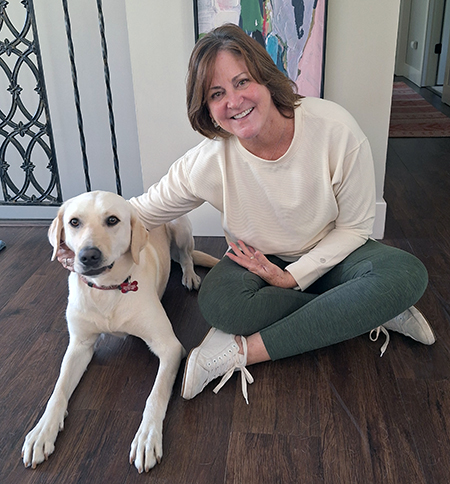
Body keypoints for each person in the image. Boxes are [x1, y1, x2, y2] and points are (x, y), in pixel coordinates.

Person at [58, 24, 434, 404]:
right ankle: (368, 308)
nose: (233, 101)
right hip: (255, 260)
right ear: (206, 108)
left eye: (242, 82)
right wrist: (82, 239)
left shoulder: (335, 130)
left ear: (267, 80)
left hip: (336, 252)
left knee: (405, 274)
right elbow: (137, 213)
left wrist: (291, 278)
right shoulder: (206, 162)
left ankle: (240, 352)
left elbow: (355, 229)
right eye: (217, 94)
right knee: (219, 304)